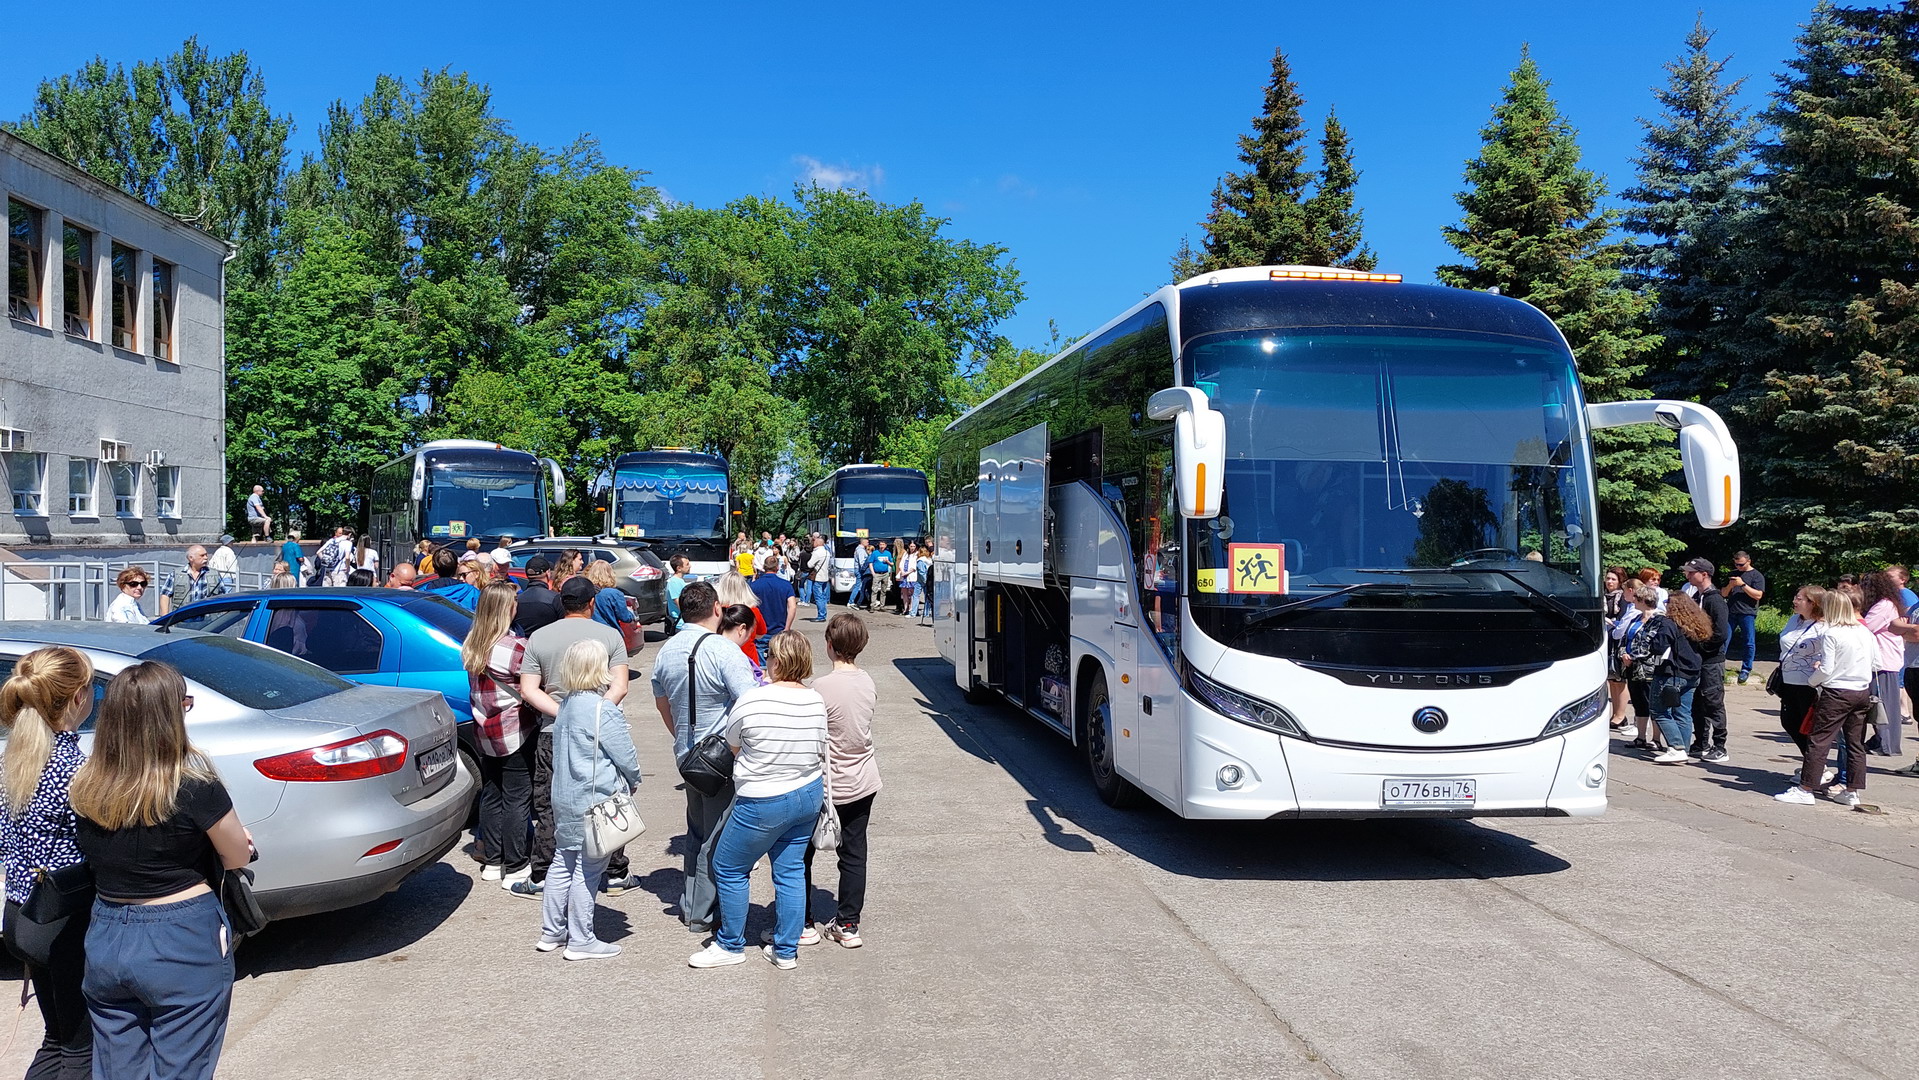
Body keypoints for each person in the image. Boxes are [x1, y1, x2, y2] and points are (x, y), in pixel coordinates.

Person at [70, 661, 252, 1080]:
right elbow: (237, 855)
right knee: (183, 1067)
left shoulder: (86, 784)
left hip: (106, 931)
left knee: (117, 1070)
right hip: (180, 935)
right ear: (170, 716)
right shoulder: (194, 784)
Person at [688, 631, 827, 971]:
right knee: (790, 870)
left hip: (763, 798)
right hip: (808, 792)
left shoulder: (753, 700)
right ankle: (786, 950)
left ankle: (731, 943)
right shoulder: (816, 700)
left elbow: (731, 745)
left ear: (776, 662)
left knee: (729, 867)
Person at [0, 647, 97, 1079]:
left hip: (21, 916)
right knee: (81, 1048)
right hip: (63, 921)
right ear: (78, 698)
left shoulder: (13, 762)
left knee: (56, 1038)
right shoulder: (74, 767)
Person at [650, 581, 760, 935]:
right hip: (722, 758)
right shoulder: (723, 650)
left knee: (697, 833)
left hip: (688, 755)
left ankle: (693, 903)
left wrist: (683, 740)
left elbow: (662, 703)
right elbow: (750, 703)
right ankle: (706, 912)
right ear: (717, 610)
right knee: (719, 836)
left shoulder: (666, 651)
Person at [512, 576, 632, 899]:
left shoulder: (539, 638)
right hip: (599, 732)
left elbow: (528, 688)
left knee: (551, 802)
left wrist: (562, 713)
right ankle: (616, 870)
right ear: (592, 603)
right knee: (606, 799)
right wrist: (595, 714)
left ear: (561, 603)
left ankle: (543, 872)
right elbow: (619, 685)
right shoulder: (610, 637)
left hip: (553, 732)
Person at [537, 639, 641, 961]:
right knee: (589, 868)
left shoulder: (565, 704)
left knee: (562, 862)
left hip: (565, 796)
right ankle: (581, 939)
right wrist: (634, 781)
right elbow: (625, 756)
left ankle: (551, 932)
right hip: (593, 801)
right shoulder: (601, 709)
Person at [802, 613, 880, 948]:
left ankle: (803, 922)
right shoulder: (867, 681)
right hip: (863, 777)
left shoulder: (820, 687)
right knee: (854, 851)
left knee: (801, 853)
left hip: (825, 783)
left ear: (829, 645)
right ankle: (848, 924)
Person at [462, 582, 535, 888]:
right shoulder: (514, 646)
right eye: (514, 602)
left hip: (485, 730)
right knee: (518, 797)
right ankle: (516, 864)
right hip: (515, 729)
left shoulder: (472, 645)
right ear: (506, 608)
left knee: (493, 793)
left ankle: (492, 861)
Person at [1777, 588, 1875, 807]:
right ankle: (1852, 790)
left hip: (1837, 692)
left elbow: (1826, 669)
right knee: (1855, 743)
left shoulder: (1833, 633)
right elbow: (1875, 663)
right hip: (1861, 691)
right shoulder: (1864, 631)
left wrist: (1813, 679)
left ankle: (1806, 789)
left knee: (1818, 740)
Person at [1639, 590, 1712, 765]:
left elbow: (1657, 646)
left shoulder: (1668, 623)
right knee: (1683, 712)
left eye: (1667, 604)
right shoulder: (1696, 623)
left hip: (1671, 672)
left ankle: (1676, 747)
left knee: (1659, 710)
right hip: (1692, 672)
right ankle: (1683, 750)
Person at [1680, 558, 1731, 763]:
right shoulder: (1696, 596)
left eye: (1692, 572)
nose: (1688, 575)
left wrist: (1701, 648)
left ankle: (1720, 746)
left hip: (1711, 660)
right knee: (1697, 702)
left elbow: (1720, 633)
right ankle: (1701, 742)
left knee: (1713, 701)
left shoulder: (1715, 599)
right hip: (1698, 659)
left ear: (1704, 574)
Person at [1776, 586, 1828, 759]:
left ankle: (1816, 766)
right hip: (1787, 679)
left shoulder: (1824, 626)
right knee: (1789, 722)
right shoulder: (1794, 620)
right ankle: (1811, 763)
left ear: (1813, 603)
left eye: (1799, 599)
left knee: (1808, 726)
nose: (1794, 601)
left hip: (1809, 683)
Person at [1859, 570, 1905, 757]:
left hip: (1885, 662)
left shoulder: (1884, 605)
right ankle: (1879, 740)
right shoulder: (1885, 604)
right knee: (1878, 703)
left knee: (1885, 706)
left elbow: (1866, 628)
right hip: (1880, 661)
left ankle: (1888, 745)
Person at [1717, 551, 1766, 685]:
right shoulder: (1733, 574)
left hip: (1747, 612)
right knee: (1724, 639)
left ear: (1748, 561)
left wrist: (1743, 585)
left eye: (1741, 565)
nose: (1738, 567)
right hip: (1731, 612)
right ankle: (1719, 666)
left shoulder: (1757, 576)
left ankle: (1746, 669)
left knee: (1749, 642)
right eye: (1736, 564)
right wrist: (1730, 585)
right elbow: (1723, 594)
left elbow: (1758, 595)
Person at [716, 571, 768, 668]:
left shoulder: (717, 611)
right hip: (749, 659)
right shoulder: (753, 610)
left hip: (721, 659)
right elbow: (761, 633)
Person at [751, 553, 798, 661]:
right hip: (779, 629)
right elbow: (792, 607)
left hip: (760, 631)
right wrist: (787, 627)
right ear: (777, 568)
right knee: (779, 662)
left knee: (761, 665)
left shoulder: (754, 586)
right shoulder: (786, 585)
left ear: (763, 567)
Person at [1601, 567, 1632, 731]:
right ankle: (1615, 714)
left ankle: (1621, 715)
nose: (1609, 582)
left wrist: (1611, 622)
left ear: (1620, 581)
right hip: (1605, 640)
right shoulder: (1602, 596)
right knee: (1611, 679)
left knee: (1619, 679)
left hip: (1618, 641)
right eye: (1608, 578)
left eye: (1613, 579)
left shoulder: (1623, 598)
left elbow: (1623, 620)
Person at [163, 545, 224, 616]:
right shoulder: (176, 574)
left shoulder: (214, 574)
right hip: (182, 620)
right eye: (202, 555)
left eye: (206, 555)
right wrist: (164, 618)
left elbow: (223, 595)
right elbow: (165, 595)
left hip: (208, 621)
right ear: (191, 558)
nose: (206, 558)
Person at [585, 561, 636, 639]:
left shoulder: (585, 591)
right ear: (610, 574)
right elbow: (625, 617)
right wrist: (631, 612)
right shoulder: (614, 594)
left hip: (590, 634)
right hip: (610, 634)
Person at [719, 604, 768, 684]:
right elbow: (745, 690)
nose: (749, 637)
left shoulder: (710, 646)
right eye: (751, 632)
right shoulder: (736, 656)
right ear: (742, 629)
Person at [515, 556, 564, 636]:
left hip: (521, 646)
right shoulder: (555, 599)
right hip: (548, 644)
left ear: (527, 575)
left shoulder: (516, 600)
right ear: (548, 573)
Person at [804, 535, 830, 622]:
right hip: (825, 577)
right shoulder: (827, 552)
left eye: (814, 542)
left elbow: (809, 564)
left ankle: (821, 616)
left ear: (818, 544)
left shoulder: (817, 553)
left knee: (818, 597)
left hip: (818, 577)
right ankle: (824, 614)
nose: (813, 543)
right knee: (823, 597)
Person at [664, 556, 691, 632]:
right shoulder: (674, 582)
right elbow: (679, 603)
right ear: (679, 568)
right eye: (687, 564)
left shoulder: (680, 581)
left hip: (684, 623)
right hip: (680, 625)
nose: (690, 566)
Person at [868, 541, 894, 613]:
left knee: (884, 591)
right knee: (874, 590)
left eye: (883, 545)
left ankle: (882, 606)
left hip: (885, 573)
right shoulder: (875, 553)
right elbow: (870, 563)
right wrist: (873, 573)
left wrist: (887, 562)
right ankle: (872, 606)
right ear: (879, 545)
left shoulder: (888, 553)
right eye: (880, 544)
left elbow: (892, 564)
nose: (882, 546)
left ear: (885, 545)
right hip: (877, 574)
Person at [896, 540, 919, 620]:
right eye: (911, 546)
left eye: (914, 546)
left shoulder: (917, 554)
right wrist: (902, 571)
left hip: (911, 576)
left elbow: (914, 567)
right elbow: (901, 564)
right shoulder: (906, 554)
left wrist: (907, 573)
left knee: (912, 593)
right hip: (904, 576)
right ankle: (905, 608)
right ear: (909, 546)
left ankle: (911, 609)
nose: (912, 548)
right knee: (904, 593)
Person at [851, 538, 872, 611]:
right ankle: (851, 602)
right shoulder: (861, 551)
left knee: (864, 587)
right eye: (867, 541)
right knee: (859, 587)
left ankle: (869, 601)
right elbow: (862, 562)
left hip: (861, 570)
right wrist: (863, 570)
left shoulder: (860, 549)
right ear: (862, 542)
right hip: (860, 571)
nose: (868, 543)